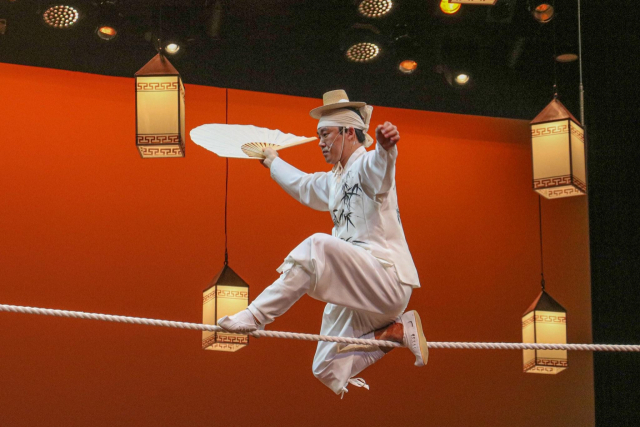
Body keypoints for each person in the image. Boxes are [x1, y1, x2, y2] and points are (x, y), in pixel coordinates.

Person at [218, 89, 428, 397]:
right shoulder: (334, 179)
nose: (320, 142)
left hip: (386, 279)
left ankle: (256, 316)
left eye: (325, 134)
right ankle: (395, 333)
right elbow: (303, 185)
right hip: (361, 290)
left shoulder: (366, 165)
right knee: (326, 367)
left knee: (317, 246)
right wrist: (272, 160)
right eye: (319, 136)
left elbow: (380, 168)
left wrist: (386, 149)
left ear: (348, 132)